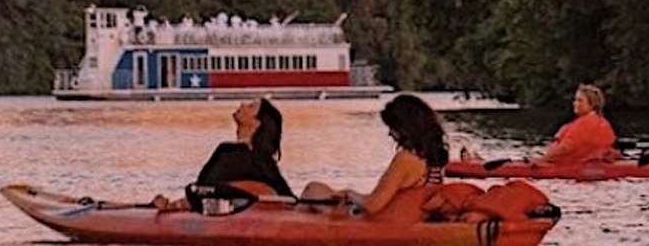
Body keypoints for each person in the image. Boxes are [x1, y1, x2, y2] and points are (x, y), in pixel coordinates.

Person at [302, 95, 448, 217]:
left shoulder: (406, 159)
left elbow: (373, 206)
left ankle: (288, 231)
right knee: (320, 190)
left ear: (406, 128)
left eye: (392, 127)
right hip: (411, 216)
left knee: (312, 189)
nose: (390, 133)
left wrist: (351, 194)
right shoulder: (435, 157)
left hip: (385, 221)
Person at [153, 99, 291, 211]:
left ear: (256, 123)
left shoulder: (230, 152)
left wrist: (172, 206)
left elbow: (204, 188)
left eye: (250, 106)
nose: (242, 104)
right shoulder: (259, 159)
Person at [540, 84, 617, 163]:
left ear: (592, 104)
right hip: (593, 163)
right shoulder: (603, 122)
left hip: (575, 166)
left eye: (580, 100)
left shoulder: (585, 123)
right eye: (575, 100)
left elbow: (566, 147)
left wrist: (543, 158)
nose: (575, 103)